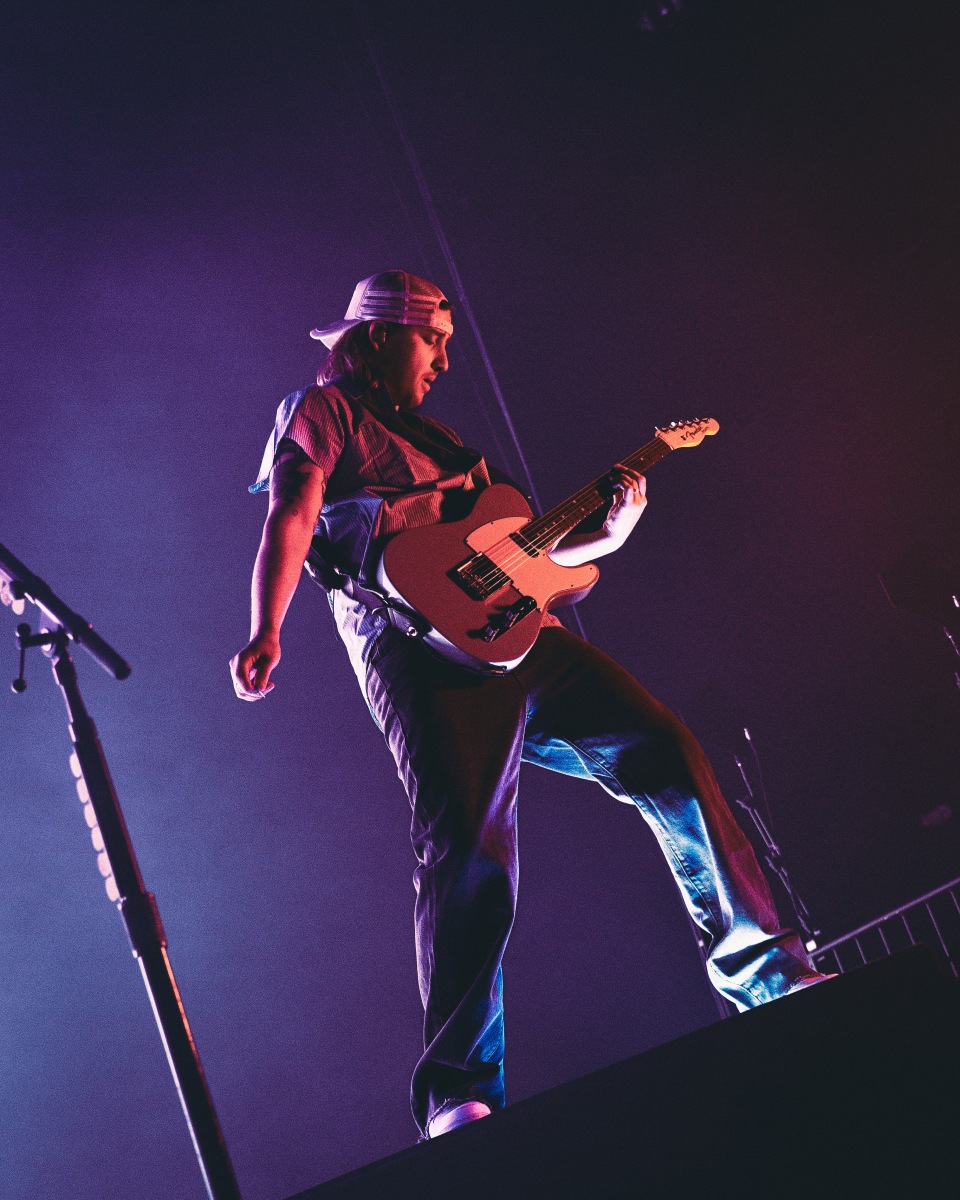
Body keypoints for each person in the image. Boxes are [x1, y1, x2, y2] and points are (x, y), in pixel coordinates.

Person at [230, 270, 832, 1141]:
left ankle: (770, 979)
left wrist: (610, 532)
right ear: (378, 336)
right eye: (430, 339)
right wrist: (267, 626)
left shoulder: (448, 443)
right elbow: (292, 511)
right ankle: (458, 1093)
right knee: (470, 848)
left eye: (447, 343)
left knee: (664, 749)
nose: (443, 359)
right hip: (415, 645)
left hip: (520, 636)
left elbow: (530, 553)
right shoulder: (324, 411)